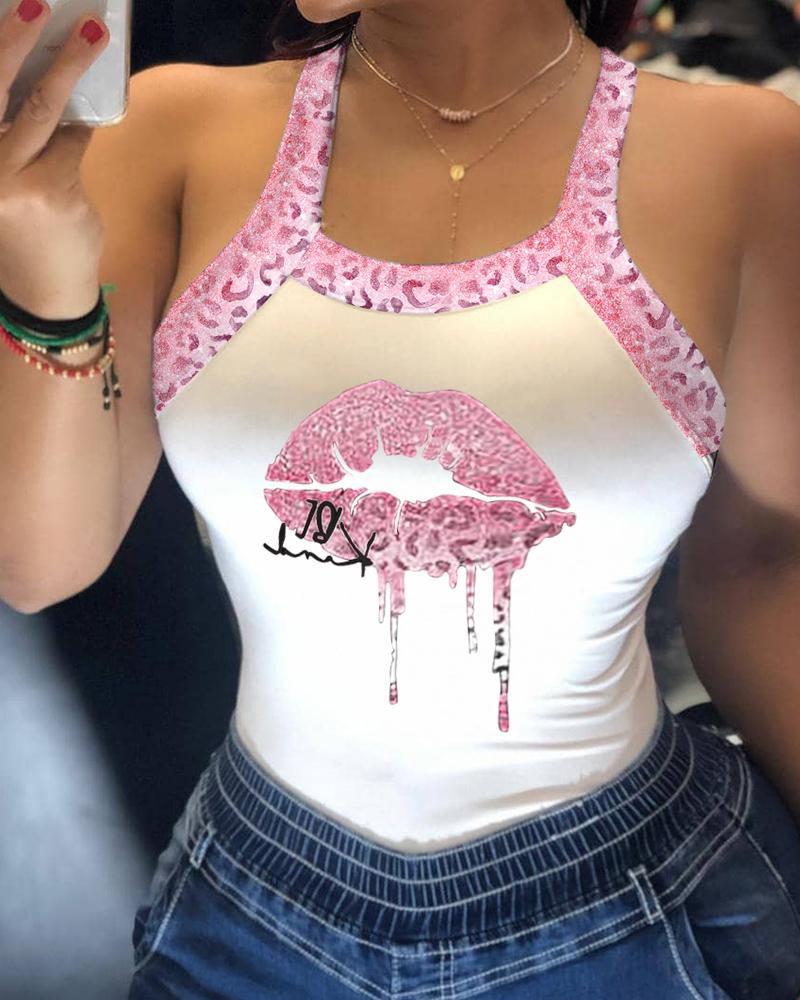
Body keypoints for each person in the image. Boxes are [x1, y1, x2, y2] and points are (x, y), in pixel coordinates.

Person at [1, 0, 799, 996]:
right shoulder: (171, 134)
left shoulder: (747, 157)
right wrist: (42, 258)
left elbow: (765, 563)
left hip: (645, 903)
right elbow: (38, 566)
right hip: (252, 914)